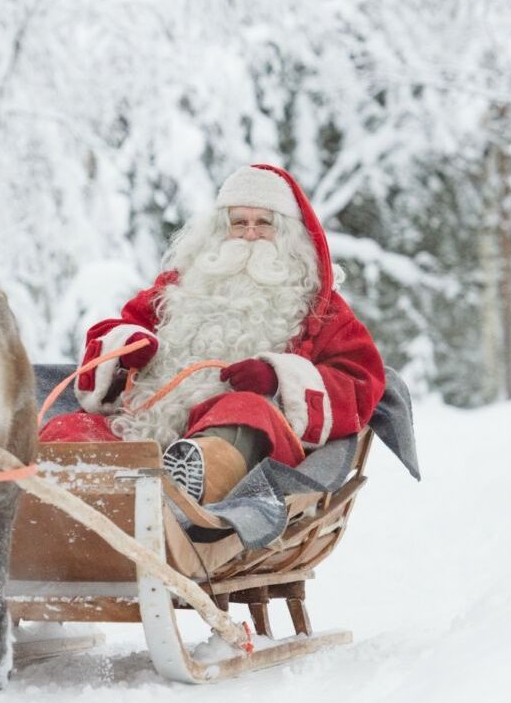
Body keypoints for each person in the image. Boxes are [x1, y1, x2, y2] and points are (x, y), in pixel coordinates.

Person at [40, 164, 386, 503]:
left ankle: (190, 481)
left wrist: (278, 379)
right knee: (67, 430)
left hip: (242, 448)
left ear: (289, 235)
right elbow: (117, 331)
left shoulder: (321, 308)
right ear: (221, 230)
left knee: (246, 409)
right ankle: (65, 489)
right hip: (143, 427)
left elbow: (360, 381)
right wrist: (126, 347)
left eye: (264, 223)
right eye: (239, 223)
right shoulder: (180, 287)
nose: (250, 234)